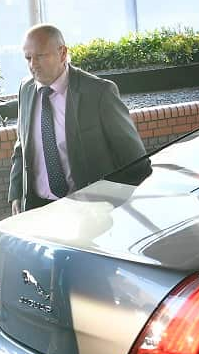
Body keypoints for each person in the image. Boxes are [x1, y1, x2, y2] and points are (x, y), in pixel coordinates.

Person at [8, 24, 146, 214]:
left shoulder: (98, 93)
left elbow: (136, 161)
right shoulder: (26, 89)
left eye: (40, 56)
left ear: (62, 53)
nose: (33, 65)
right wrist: (16, 193)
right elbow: (21, 146)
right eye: (28, 58)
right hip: (38, 210)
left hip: (91, 212)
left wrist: (115, 207)